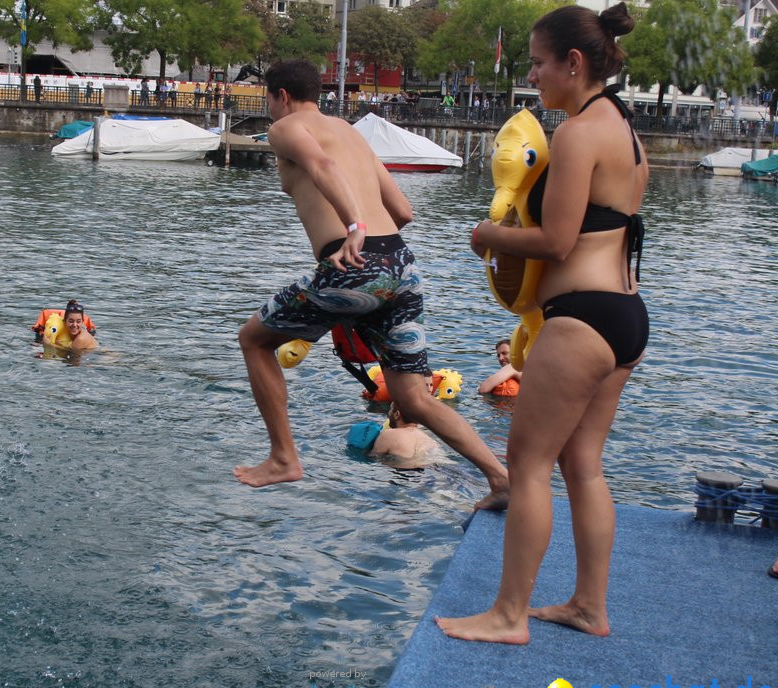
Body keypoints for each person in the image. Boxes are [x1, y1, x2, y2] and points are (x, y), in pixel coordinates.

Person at [436, 2, 649, 644]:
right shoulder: (625, 127)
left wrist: (488, 234)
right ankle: (589, 605)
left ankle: (508, 615)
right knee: (583, 464)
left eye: (537, 63)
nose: (532, 77)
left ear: (574, 63)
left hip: (581, 319)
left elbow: (556, 241)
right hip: (625, 316)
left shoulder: (579, 134)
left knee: (527, 464)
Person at [232, 59, 509, 511]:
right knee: (414, 399)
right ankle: (500, 478)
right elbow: (403, 210)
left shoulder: (285, 127)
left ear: (280, 96)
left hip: (355, 261)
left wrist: (354, 225)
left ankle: (283, 458)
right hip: (401, 264)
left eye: (268, 99)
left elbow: (320, 164)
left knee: (254, 340)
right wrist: (369, 229)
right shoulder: (350, 131)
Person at [370, 403, 444, 470]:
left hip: (402, 474)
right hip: (429, 472)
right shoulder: (430, 440)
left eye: (391, 409)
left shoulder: (387, 435)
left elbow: (373, 458)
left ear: (397, 414)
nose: (389, 413)